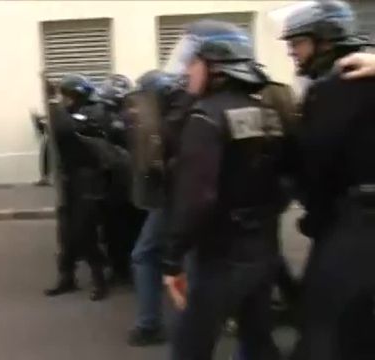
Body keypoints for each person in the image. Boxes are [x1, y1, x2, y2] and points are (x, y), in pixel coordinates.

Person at [160, 20, 288, 359]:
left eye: (193, 61)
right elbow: (285, 180)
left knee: (191, 346)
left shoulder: (205, 117)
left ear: (215, 66)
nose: (186, 70)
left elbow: (196, 199)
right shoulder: (266, 111)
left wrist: (173, 258)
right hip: (263, 245)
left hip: (221, 253)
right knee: (258, 340)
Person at [276, 1, 375, 359]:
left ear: (326, 41)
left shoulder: (335, 88)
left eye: (298, 44)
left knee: (325, 328)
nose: (293, 53)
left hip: (357, 224)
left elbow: (317, 165)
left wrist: (315, 217)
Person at [122, 69, 194, 346]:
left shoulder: (175, 122)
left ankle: (151, 324)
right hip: (176, 198)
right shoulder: (182, 116)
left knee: (147, 255)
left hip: (176, 199)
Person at [44, 74, 110, 301]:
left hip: (87, 180)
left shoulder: (93, 113)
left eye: (67, 96)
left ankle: (99, 280)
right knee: (65, 233)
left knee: (85, 231)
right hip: (68, 179)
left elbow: (67, 129)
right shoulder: (66, 114)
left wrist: (53, 104)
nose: (64, 100)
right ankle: (66, 277)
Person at [96, 74, 147, 287]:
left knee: (126, 227)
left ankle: (126, 268)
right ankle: (122, 268)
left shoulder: (131, 118)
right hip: (119, 184)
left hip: (126, 183)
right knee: (118, 228)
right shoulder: (106, 118)